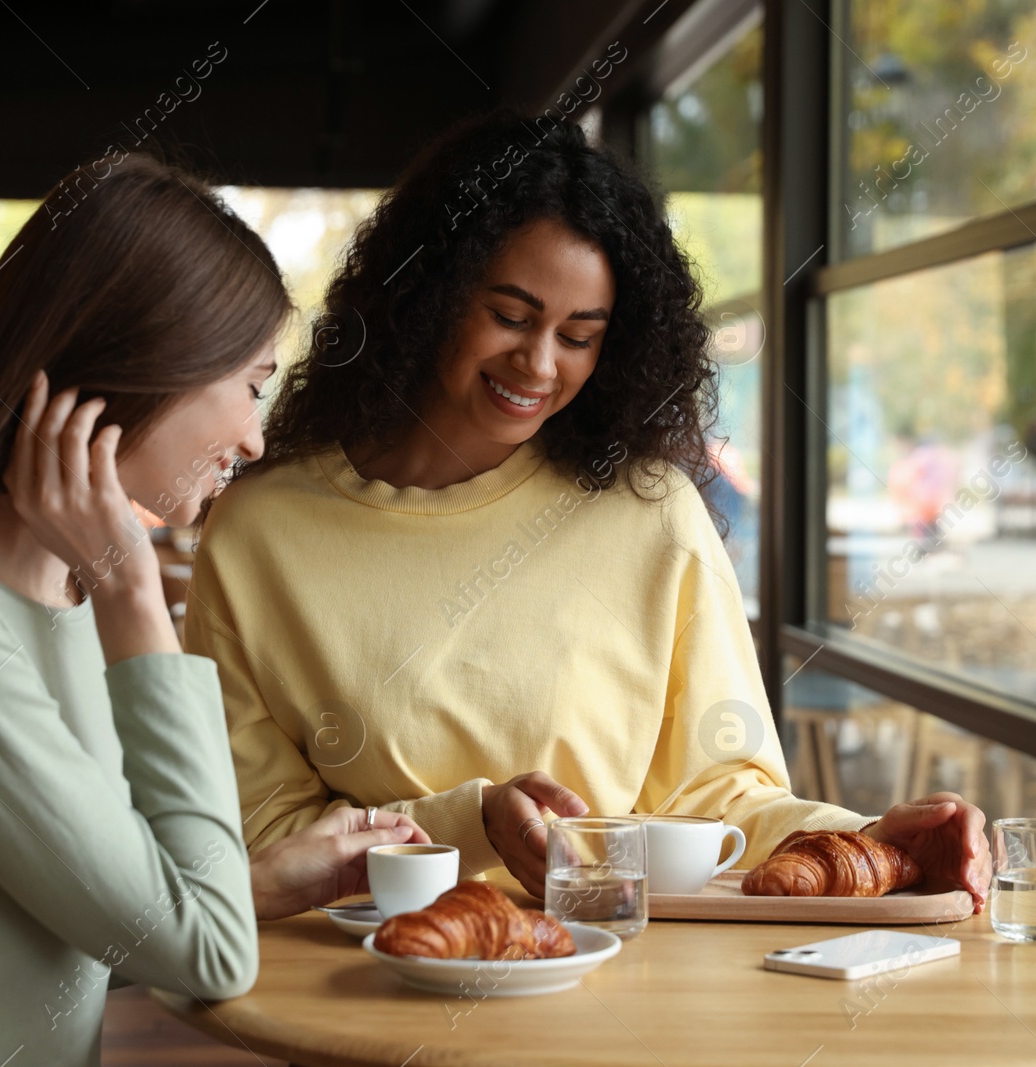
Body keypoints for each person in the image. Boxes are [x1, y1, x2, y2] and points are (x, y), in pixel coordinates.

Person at [186, 110, 991, 907]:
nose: (538, 363)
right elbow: (258, 835)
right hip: (355, 985)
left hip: (609, 986)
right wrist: (471, 823)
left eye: (579, 335)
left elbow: (723, 805)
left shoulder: (651, 514)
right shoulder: (262, 530)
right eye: (509, 315)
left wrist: (874, 839)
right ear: (427, 292)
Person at [0, 153, 425, 1067]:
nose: (255, 438)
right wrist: (132, 591)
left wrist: (254, 882)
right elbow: (205, 954)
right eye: (252, 385)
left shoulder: (47, 587)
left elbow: (100, 902)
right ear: (146, 363)